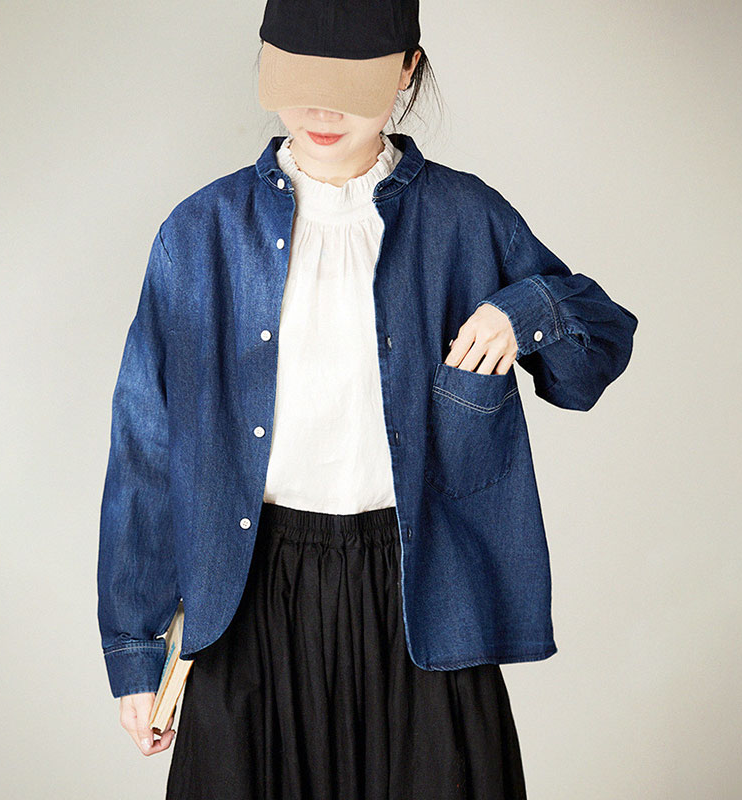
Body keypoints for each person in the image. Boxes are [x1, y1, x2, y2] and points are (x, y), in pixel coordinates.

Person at [97, 1, 638, 797]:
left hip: (424, 595)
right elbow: (145, 444)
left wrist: (527, 309)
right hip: (250, 596)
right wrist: (135, 649)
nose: (321, 109)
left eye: (349, 82)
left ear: (407, 70)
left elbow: (592, 361)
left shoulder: (466, 218)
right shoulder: (200, 233)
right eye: (299, 78)